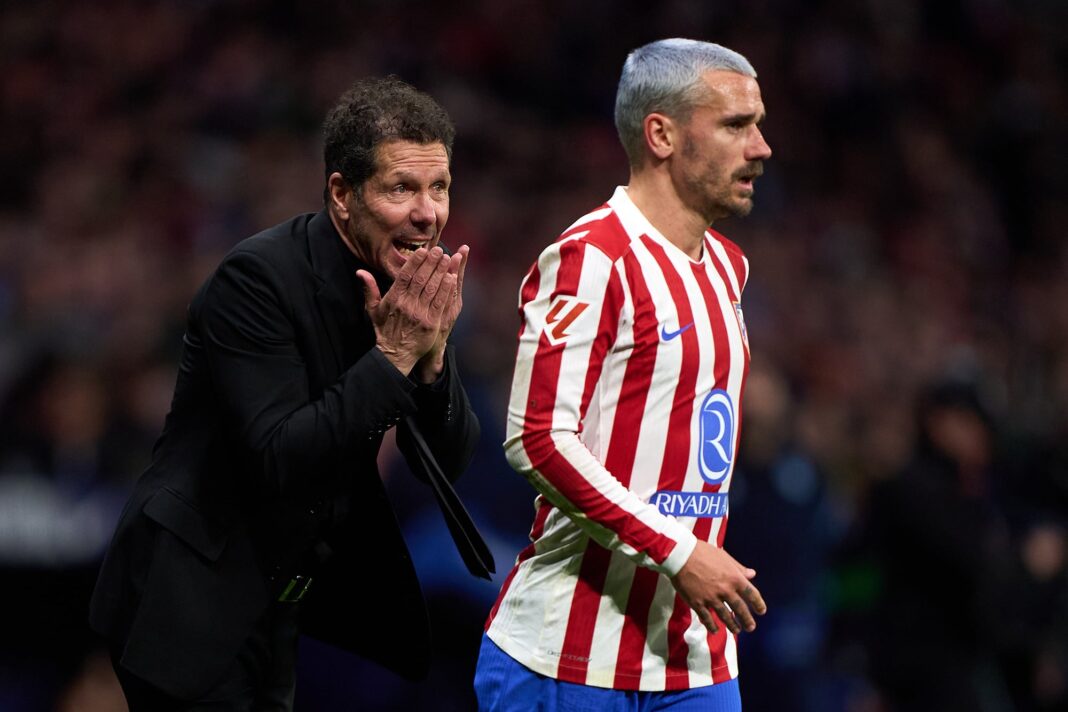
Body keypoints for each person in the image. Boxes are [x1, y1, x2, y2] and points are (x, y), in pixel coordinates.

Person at [89, 76, 481, 710]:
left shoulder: (404, 288)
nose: (428, 212)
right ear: (342, 195)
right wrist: (395, 356)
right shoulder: (256, 281)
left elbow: (449, 461)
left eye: (439, 187)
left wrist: (432, 360)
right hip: (188, 597)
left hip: (280, 603)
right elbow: (281, 456)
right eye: (402, 188)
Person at [476, 39, 772, 711]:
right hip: (569, 655)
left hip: (693, 658)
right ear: (661, 135)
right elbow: (537, 439)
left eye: (757, 125)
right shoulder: (592, 258)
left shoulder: (730, 268)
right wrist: (678, 552)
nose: (760, 147)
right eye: (735, 125)